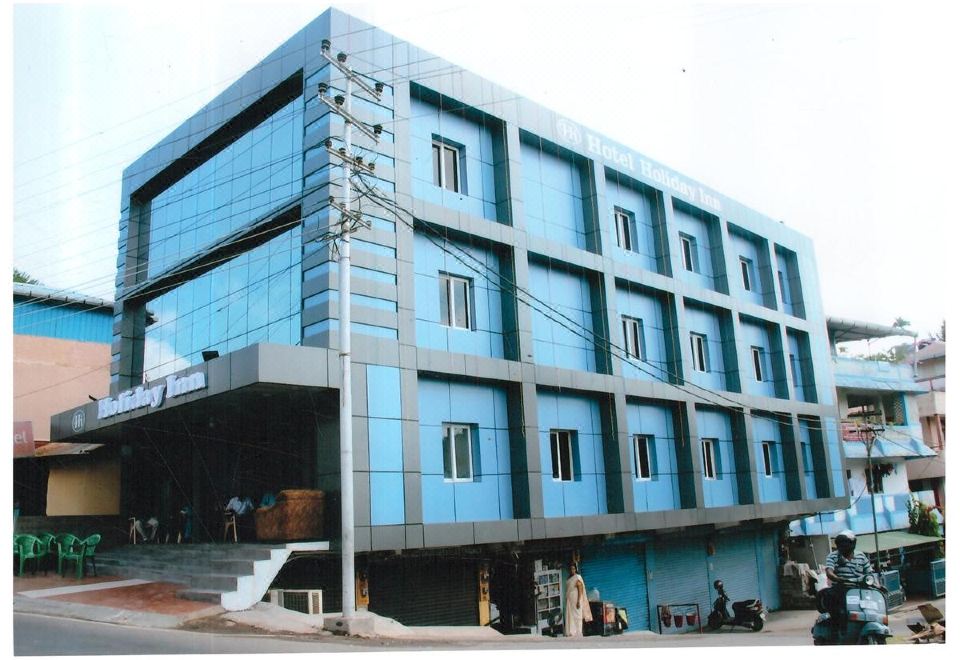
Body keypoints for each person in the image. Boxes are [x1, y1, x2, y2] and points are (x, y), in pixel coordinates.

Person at [822, 529, 872, 629]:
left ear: (853, 543)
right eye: (840, 544)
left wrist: (877, 584)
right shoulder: (833, 556)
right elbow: (829, 571)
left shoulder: (861, 556)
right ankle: (839, 631)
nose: (842, 546)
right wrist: (837, 578)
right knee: (840, 612)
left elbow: (870, 574)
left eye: (845, 544)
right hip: (841, 589)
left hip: (860, 590)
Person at [564, 562, 593, 637]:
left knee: (577, 617)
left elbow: (580, 589)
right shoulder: (569, 578)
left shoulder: (577, 577)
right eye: (571, 569)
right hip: (570, 601)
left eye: (573, 569)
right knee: (571, 617)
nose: (572, 570)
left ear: (576, 569)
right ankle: (571, 632)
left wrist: (578, 601)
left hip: (576, 601)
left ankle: (578, 633)